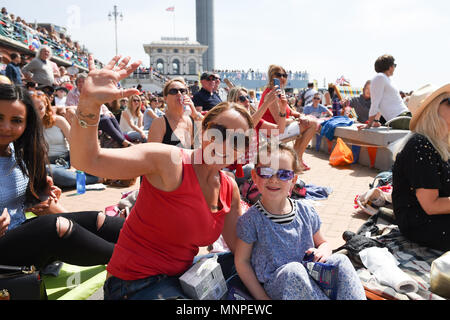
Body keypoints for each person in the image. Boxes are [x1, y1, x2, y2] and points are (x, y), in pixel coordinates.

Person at [69, 55, 253, 300]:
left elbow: (239, 250)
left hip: (181, 279)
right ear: (204, 128)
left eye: (238, 139)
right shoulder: (169, 161)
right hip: (134, 283)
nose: (225, 143)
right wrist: (90, 103)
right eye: (219, 132)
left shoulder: (229, 187)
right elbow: (87, 160)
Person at [0, 83, 125, 268]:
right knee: (57, 226)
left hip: (19, 233)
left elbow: (16, 204)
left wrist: (40, 196)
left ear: (27, 124)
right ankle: (132, 261)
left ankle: (158, 243)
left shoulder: (17, 150)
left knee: (95, 219)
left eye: (16, 120)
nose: (6, 127)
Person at [234, 143, 366, 300]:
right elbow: (242, 262)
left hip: (312, 278)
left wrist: (323, 251)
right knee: (294, 270)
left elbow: (323, 242)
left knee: (340, 260)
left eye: (283, 174)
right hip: (278, 285)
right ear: (255, 177)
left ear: (293, 180)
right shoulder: (251, 220)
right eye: (266, 172)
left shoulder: (305, 211)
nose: (274, 179)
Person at [392, 83, 450, 251]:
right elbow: (431, 206)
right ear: (433, 109)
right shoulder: (420, 144)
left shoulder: (440, 144)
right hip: (421, 222)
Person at [259, 65, 319, 171]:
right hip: (272, 132)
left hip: (279, 129)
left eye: (284, 75)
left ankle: (295, 158)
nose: (282, 78)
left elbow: (290, 111)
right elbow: (280, 121)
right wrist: (296, 120)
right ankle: (297, 160)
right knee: (313, 124)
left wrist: (301, 116)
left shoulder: (279, 92)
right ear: (271, 77)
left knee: (309, 120)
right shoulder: (271, 94)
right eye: (278, 75)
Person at [358, 55, 411, 130]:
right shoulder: (380, 77)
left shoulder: (385, 79)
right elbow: (375, 103)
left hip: (403, 116)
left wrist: (376, 121)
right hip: (400, 118)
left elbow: (381, 103)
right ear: (390, 67)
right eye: (394, 65)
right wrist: (369, 124)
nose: (394, 68)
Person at [148, 78, 200, 149]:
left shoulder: (193, 119)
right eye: (173, 91)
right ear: (165, 98)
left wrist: (196, 114)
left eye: (183, 91)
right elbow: (151, 156)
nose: (179, 94)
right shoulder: (159, 123)